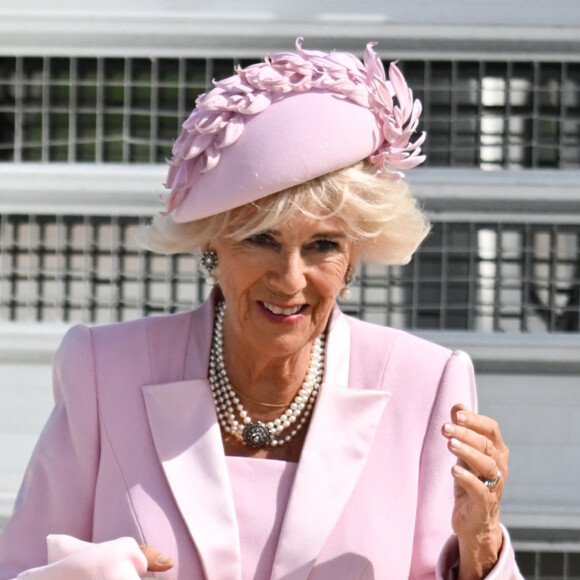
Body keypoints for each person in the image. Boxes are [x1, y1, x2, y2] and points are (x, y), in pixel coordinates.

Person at [0, 39, 522, 580]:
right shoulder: (105, 371)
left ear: (353, 259)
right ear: (211, 244)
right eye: (261, 240)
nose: (290, 278)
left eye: (323, 245)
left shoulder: (426, 384)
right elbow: (20, 568)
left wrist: (480, 545)